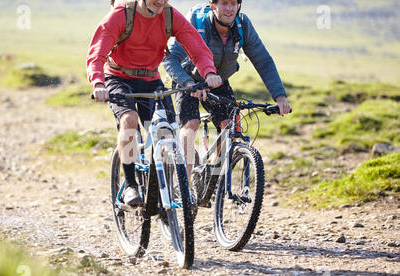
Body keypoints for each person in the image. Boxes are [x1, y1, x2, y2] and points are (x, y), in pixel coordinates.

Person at [87, 0, 222, 207]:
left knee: (168, 133)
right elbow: (97, 53)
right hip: (119, 77)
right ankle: (131, 184)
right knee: (129, 119)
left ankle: (164, 193)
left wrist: (209, 72)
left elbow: (197, 47)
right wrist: (98, 83)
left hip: (151, 79)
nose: (160, 0)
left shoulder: (170, 15)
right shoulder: (121, 14)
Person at [162, 0, 291, 176]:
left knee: (230, 127)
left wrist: (280, 97)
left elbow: (263, 60)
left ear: (239, 6)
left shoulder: (242, 25)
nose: (229, 9)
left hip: (219, 81)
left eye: (233, 3)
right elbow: (170, 58)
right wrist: (188, 84)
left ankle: (215, 176)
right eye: (224, 3)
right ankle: (184, 187)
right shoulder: (196, 23)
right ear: (213, 6)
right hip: (190, 79)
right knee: (191, 124)